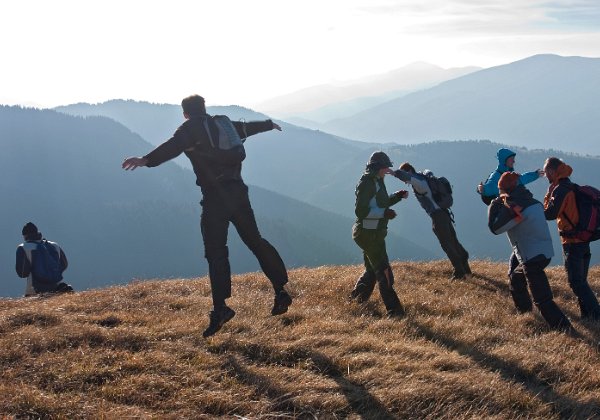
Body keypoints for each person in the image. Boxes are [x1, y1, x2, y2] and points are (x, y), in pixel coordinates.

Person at [122, 94, 292, 337]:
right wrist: (268, 125)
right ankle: (280, 290)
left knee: (216, 252)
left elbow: (172, 147)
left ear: (185, 113)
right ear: (204, 108)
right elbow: (245, 128)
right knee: (255, 241)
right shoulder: (222, 124)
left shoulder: (190, 129)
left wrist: (145, 160)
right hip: (238, 193)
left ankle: (220, 308)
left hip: (215, 198)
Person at [488, 173, 572, 331]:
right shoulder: (533, 202)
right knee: (516, 278)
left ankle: (564, 328)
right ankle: (525, 313)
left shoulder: (514, 206)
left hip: (531, 256)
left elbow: (496, 228)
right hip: (544, 252)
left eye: (500, 190)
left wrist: (494, 205)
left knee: (542, 299)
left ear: (506, 189)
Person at [349, 151, 407, 317]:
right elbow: (361, 211)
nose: (387, 170)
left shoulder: (377, 180)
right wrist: (384, 213)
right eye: (385, 167)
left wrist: (397, 197)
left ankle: (357, 300)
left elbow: (381, 202)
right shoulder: (367, 182)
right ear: (377, 167)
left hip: (372, 233)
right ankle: (395, 312)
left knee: (372, 270)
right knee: (384, 271)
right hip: (368, 234)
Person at [391, 163, 471, 280]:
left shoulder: (420, 182)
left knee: (446, 244)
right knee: (452, 241)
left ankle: (459, 272)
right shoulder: (424, 179)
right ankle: (465, 266)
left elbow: (406, 177)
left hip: (438, 216)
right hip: (444, 213)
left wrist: (394, 172)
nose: (405, 183)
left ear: (408, 171)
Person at [543, 157, 600, 321]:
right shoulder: (571, 187)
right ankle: (588, 316)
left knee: (576, 282)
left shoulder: (560, 190)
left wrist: (548, 194)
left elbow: (550, 214)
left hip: (573, 243)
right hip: (584, 239)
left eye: (547, 172)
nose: (546, 175)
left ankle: (596, 314)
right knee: (581, 281)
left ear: (553, 171)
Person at [15, 222, 73, 296]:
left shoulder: (24, 248)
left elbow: (23, 273)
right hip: (57, 288)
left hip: (34, 291)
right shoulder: (55, 246)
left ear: (25, 236)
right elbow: (64, 265)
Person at [477, 148, 543, 203]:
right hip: (503, 207)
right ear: (504, 161)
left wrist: (535, 174)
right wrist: (483, 189)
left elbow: (522, 179)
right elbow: (491, 187)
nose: (514, 161)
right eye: (511, 159)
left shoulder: (509, 174)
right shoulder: (496, 175)